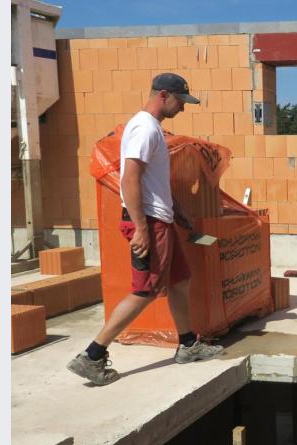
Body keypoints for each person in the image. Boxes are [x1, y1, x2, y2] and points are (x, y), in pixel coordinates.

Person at [67, 73, 223, 386]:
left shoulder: (153, 129)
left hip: (160, 218)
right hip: (149, 222)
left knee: (180, 280)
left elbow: (152, 181)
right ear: (164, 95)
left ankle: (188, 345)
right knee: (146, 290)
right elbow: (130, 179)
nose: (183, 107)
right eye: (180, 101)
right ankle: (92, 356)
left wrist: (177, 211)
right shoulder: (144, 128)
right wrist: (140, 228)